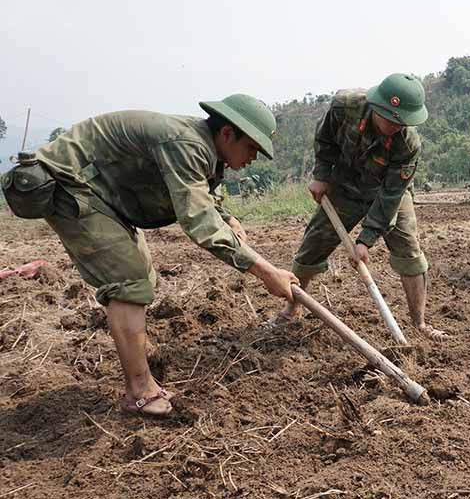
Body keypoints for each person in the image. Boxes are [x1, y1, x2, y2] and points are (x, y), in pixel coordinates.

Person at [1, 94, 299, 416]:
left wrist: (226, 217)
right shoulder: (186, 143)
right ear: (228, 134)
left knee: (143, 276)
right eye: (252, 147)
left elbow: (195, 193)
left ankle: (139, 357)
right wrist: (266, 271)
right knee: (128, 282)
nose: (254, 157)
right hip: (68, 184)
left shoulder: (201, 147)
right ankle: (140, 392)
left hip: (101, 195)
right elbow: (199, 223)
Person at [277, 73, 446, 340]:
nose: (395, 125)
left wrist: (365, 240)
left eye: (402, 121)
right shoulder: (345, 106)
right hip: (344, 186)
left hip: (386, 191)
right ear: (377, 106)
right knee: (313, 245)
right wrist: (321, 175)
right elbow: (325, 141)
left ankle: (420, 324)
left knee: (410, 251)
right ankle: (291, 309)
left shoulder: (408, 144)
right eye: (390, 118)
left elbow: (391, 195)